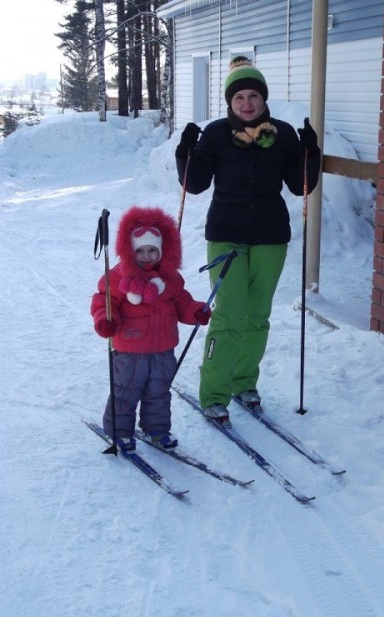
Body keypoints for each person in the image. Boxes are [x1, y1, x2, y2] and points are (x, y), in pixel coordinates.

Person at [175, 56, 321, 425]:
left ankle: (244, 382)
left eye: (253, 95)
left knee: (257, 316)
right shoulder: (216, 134)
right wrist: (186, 152)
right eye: (239, 96)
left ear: (263, 97)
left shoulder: (284, 134)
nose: (247, 103)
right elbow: (195, 185)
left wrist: (310, 153)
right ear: (229, 101)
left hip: (271, 236)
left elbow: (299, 185)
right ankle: (213, 392)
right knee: (227, 316)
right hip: (226, 234)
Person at [91, 205, 211, 450]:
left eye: (152, 250)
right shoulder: (118, 277)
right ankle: (119, 432)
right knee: (125, 391)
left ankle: (156, 430)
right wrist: (106, 319)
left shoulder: (170, 279)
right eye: (140, 251)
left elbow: (183, 302)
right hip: (129, 351)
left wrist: (195, 311)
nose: (146, 256)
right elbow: (104, 301)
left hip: (163, 350)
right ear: (130, 251)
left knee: (159, 393)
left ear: (162, 251)